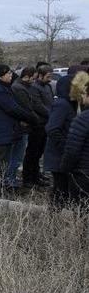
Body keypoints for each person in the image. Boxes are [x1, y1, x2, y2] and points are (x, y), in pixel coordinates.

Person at [0, 64, 39, 197]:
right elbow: (12, 108)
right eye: (8, 74)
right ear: (1, 75)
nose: (11, 76)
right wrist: (30, 117)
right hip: (2, 131)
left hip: (3, 130)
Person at [45, 72, 87, 210]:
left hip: (66, 156)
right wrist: (66, 146)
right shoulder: (62, 104)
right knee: (60, 192)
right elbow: (52, 129)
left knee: (64, 192)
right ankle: (53, 222)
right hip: (59, 156)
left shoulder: (72, 104)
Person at [9, 67, 48, 188]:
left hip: (31, 124)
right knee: (22, 155)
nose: (34, 80)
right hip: (25, 125)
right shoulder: (19, 88)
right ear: (27, 76)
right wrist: (37, 120)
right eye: (34, 78)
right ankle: (17, 180)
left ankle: (30, 177)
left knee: (32, 153)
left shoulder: (26, 87)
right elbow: (28, 108)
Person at [59, 74, 89, 207]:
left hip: (83, 173)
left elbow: (72, 150)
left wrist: (65, 168)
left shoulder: (83, 119)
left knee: (82, 211)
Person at [25, 65, 54, 187]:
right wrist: (52, 114)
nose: (50, 79)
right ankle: (28, 178)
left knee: (39, 152)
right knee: (32, 152)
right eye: (48, 76)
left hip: (46, 124)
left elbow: (51, 101)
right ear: (40, 76)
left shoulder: (47, 86)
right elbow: (38, 106)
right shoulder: (34, 88)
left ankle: (36, 176)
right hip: (37, 125)